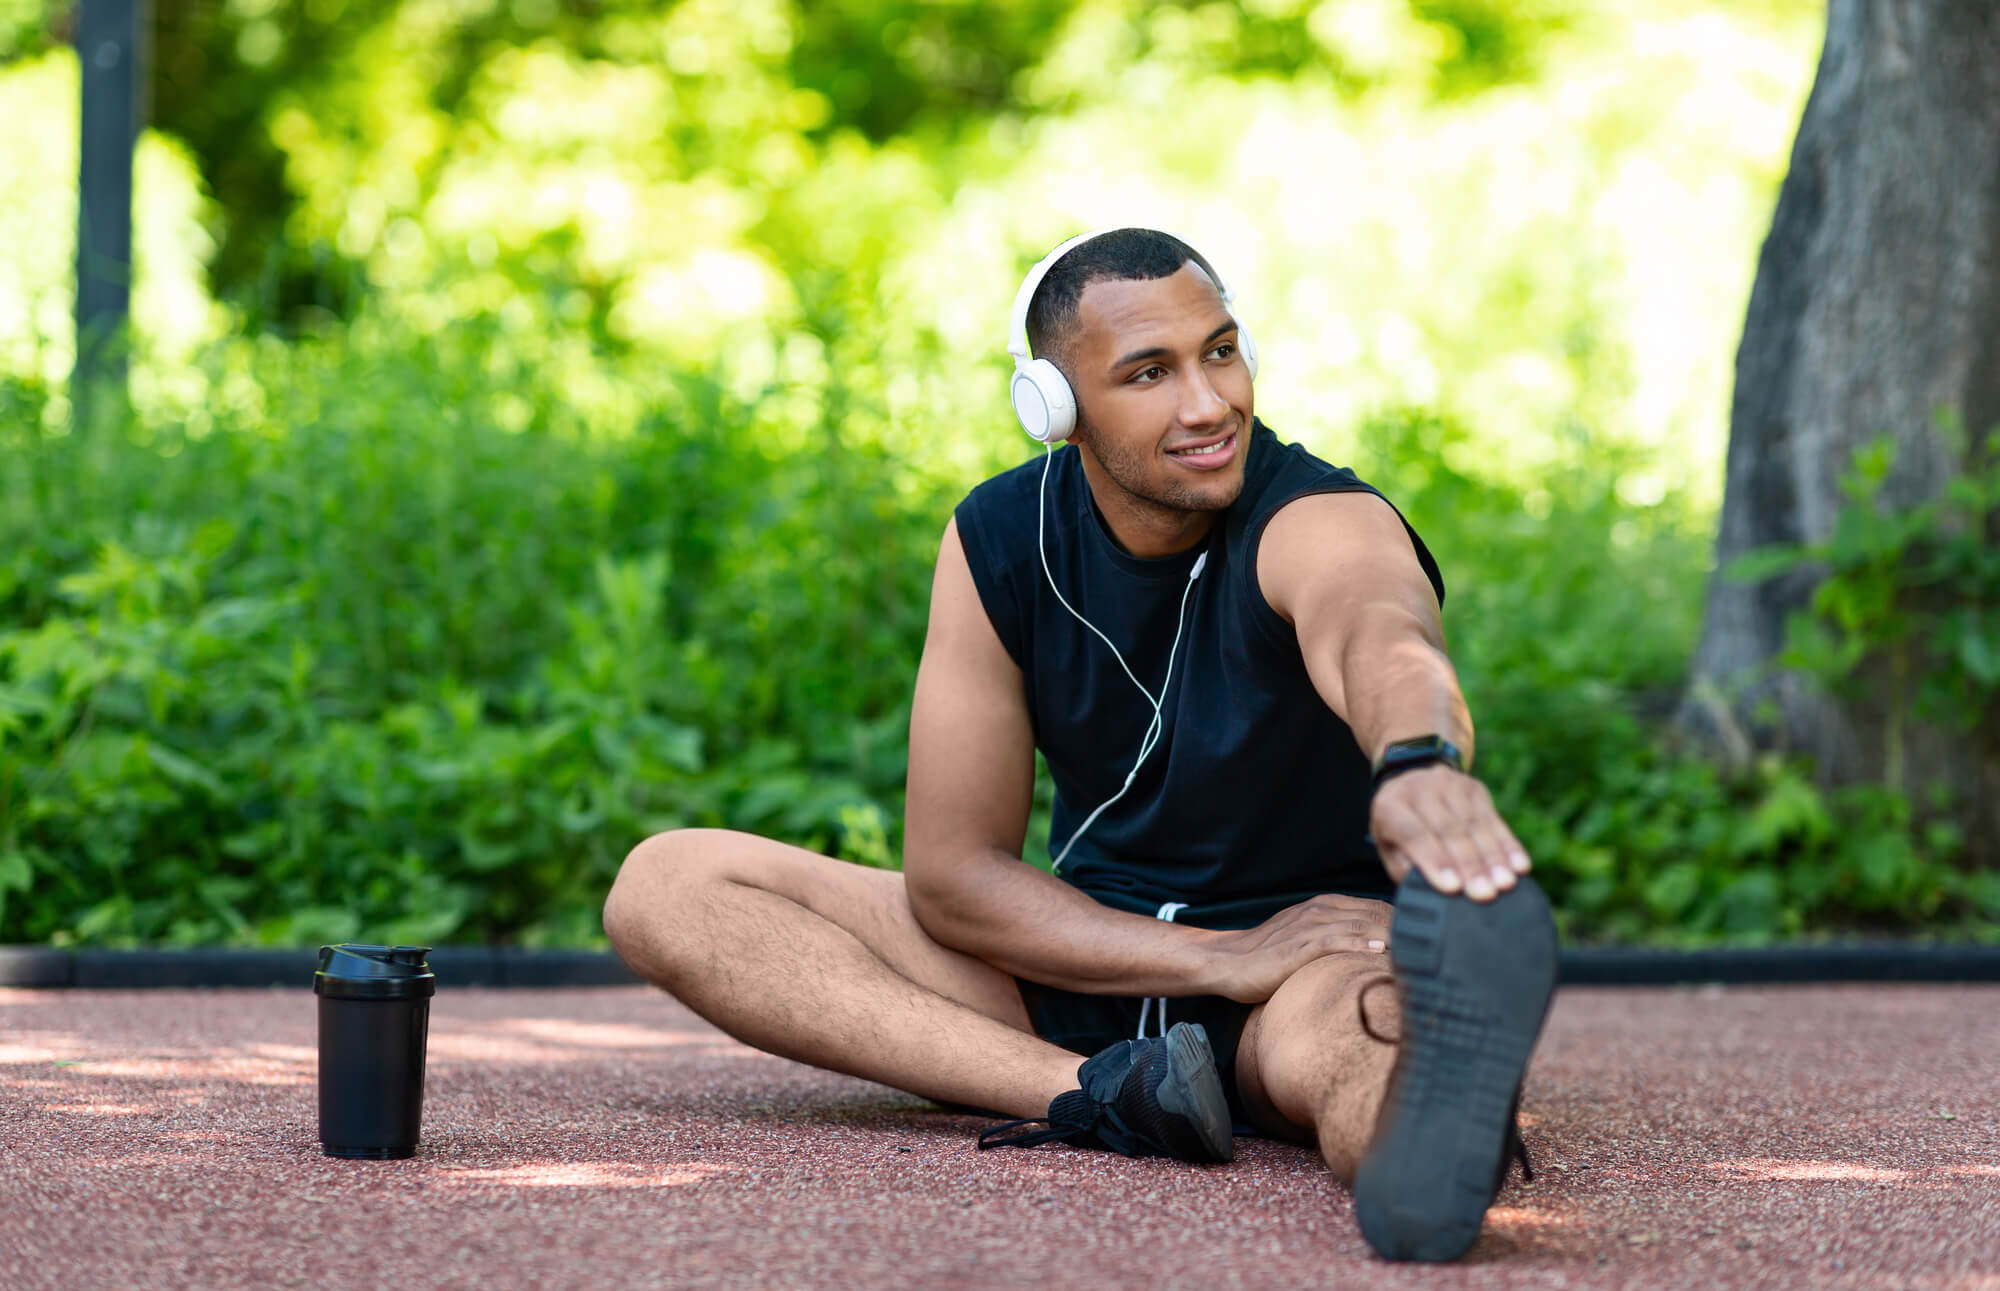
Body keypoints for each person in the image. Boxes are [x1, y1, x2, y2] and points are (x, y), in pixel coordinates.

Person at [603, 227, 1560, 1263]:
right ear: (1052, 407)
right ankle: (1106, 1095)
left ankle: (1423, 1121)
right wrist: (1215, 958)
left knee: (1358, 1046)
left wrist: (1416, 762)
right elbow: (955, 878)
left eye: (1221, 352)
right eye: (1149, 373)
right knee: (667, 882)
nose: (1207, 403)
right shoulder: (996, 539)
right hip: (1077, 962)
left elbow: (1380, 631)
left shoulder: (1318, 515)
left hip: (1307, 963)